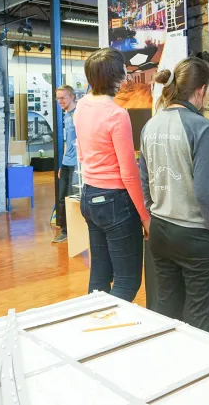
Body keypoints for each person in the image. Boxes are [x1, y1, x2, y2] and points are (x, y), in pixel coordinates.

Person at [139, 58, 209, 332]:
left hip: (161, 231)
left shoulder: (150, 125)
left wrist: (151, 215)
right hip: (194, 237)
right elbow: (204, 191)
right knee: (200, 316)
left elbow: (145, 181)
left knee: (165, 308)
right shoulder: (203, 127)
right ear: (201, 89)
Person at [74, 48, 150, 301]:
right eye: (124, 72)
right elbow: (129, 173)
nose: (127, 76)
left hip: (90, 196)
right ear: (116, 77)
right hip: (116, 201)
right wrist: (145, 216)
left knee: (99, 275)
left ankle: (93, 329)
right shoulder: (117, 115)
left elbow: (83, 155)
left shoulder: (81, 106)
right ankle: (112, 333)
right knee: (127, 282)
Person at [53, 85, 77, 244]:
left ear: (72, 97)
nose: (60, 101)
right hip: (67, 163)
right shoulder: (67, 116)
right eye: (58, 98)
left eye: (63, 97)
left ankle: (71, 230)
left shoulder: (79, 115)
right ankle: (64, 229)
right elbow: (68, 142)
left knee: (71, 198)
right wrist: (62, 163)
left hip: (77, 165)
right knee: (62, 198)